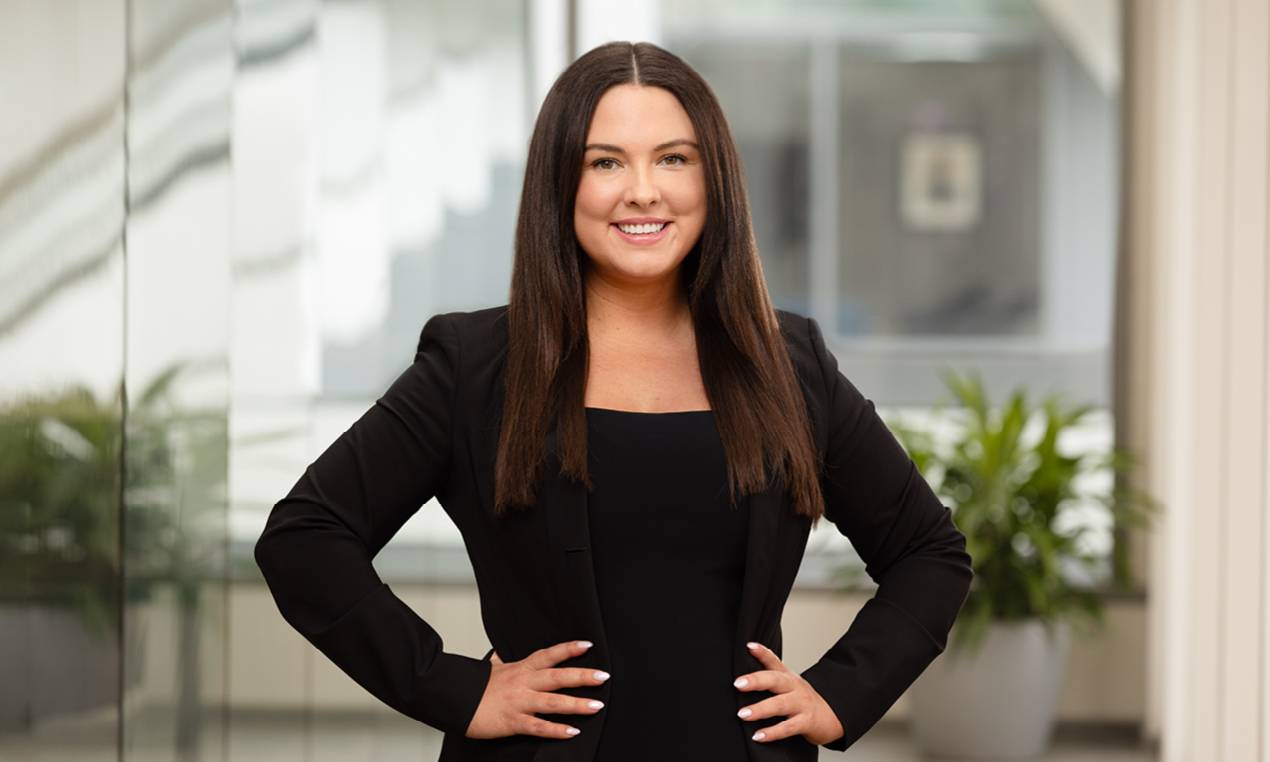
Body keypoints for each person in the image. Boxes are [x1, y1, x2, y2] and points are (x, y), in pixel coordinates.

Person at [254, 40, 974, 762]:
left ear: (713, 177)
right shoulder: (474, 369)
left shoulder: (789, 366)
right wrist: (454, 689)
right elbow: (306, 538)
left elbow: (929, 552)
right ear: (561, 182)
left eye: (673, 158)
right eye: (606, 162)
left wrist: (839, 695)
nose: (643, 190)